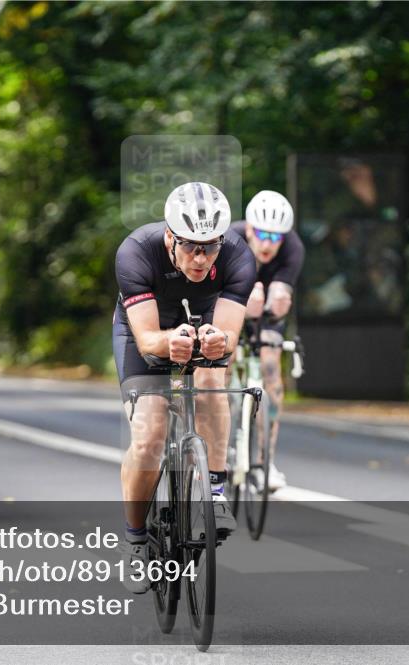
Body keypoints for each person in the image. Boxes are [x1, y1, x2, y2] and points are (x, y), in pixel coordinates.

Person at [114, 182, 255, 593]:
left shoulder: (238, 255)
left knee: (212, 382)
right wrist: (166, 342)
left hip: (205, 316)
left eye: (209, 247)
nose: (200, 258)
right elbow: (145, 339)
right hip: (148, 326)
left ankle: (214, 490)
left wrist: (220, 342)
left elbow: (229, 332)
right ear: (171, 237)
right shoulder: (136, 251)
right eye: (191, 246)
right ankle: (135, 540)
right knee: (150, 433)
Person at [229, 190, 305, 491]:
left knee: (271, 370)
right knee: (224, 360)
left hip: (267, 312)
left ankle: (266, 460)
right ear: (248, 228)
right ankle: (220, 446)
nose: (267, 244)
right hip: (230, 303)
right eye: (261, 234)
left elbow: (281, 293)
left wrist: (276, 303)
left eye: (276, 237)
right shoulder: (230, 240)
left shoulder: (293, 248)